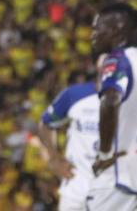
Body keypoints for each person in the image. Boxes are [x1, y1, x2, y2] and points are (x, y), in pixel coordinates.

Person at [87, 2, 137, 211]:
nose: (93, 36)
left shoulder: (118, 59)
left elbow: (111, 100)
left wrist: (105, 153)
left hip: (119, 174)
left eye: (98, 28)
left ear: (118, 29)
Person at [37, 70, 100, 211]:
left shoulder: (130, 100)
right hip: (76, 188)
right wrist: (54, 158)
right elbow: (46, 123)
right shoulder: (75, 95)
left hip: (116, 192)